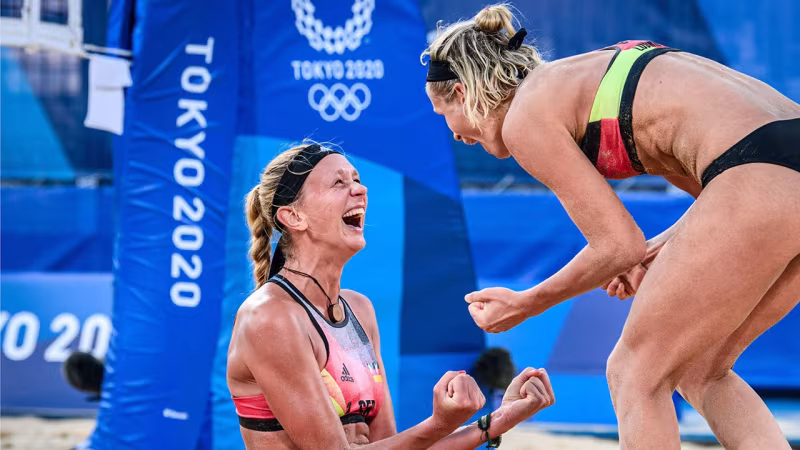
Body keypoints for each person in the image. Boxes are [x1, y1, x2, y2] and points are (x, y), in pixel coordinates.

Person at [421, 4, 800, 449]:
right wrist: (651, 250)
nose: (452, 134)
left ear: (464, 93)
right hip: (769, 165)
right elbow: (706, 201)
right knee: (700, 368)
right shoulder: (578, 79)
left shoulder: (526, 114)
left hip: (755, 172)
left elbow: (617, 245)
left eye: (442, 114)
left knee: (634, 373)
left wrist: (527, 302)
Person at [226, 143, 555, 449]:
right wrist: (441, 423)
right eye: (338, 183)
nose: (360, 189)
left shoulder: (359, 309)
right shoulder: (270, 315)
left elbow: (390, 445)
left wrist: (499, 420)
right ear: (293, 217)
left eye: (357, 178)